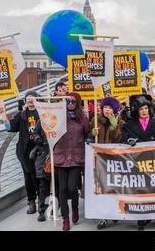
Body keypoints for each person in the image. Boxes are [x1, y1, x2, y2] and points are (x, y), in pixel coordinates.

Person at [121, 96, 155, 230]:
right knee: (140, 189)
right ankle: (141, 219)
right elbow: (124, 138)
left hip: (152, 160)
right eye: (141, 109)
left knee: (151, 188)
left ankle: (149, 214)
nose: (144, 111)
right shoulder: (129, 125)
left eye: (146, 108)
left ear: (149, 109)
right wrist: (129, 140)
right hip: (136, 161)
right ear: (137, 111)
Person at [0, 91, 41, 215]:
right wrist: (3, 114)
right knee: (28, 176)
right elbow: (9, 128)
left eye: (32, 98)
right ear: (25, 101)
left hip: (39, 150)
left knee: (38, 176)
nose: (29, 100)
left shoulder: (42, 113)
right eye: (27, 98)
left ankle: (41, 200)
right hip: (24, 151)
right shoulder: (22, 115)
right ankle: (32, 202)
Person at [53, 92, 90, 231]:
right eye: (67, 101)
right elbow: (50, 130)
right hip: (61, 157)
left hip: (76, 158)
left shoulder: (83, 118)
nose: (70, 104)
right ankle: (65, 218)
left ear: (77, 103)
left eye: (73, 102)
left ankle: (74, 208)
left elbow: (87, 133)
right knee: (61, 189)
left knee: (72, 188)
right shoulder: (59, 116)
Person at [89, 96, 125, 229]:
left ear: (114, 109)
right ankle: (103, 217)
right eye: (105, 107)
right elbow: (88, 136)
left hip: (113, 161)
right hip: (99, 160)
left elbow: (118, 138)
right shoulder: (95, 120)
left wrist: (114, 125)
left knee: (113, 187)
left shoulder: (120, 122)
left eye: (110, 108)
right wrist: (92, 134)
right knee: (101, 188)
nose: (107, 110)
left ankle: (113, 212)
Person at [31, 118, 52, 222]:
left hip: (57, 153)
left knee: (57, 185)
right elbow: (35, 132)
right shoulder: (42, 119)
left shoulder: (61, 116)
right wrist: (38, 139)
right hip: (43, 154)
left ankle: (56, 207)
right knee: (43, 185)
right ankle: (42, 210)